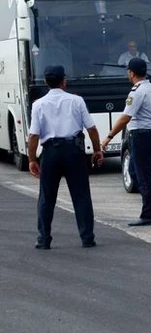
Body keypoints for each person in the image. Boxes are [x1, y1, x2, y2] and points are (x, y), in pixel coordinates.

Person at [27, 65, 104, 249]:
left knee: (46, 197)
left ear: (46, 82)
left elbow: (33, 136)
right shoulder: (76, 101)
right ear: (64, 81)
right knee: (81, 195)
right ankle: (87, 238)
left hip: (50, 152)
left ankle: (44, 240)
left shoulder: (38, 104)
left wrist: (31, 159)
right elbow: (91, 128)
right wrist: (97, 150)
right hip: (74, 151)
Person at [101, 58, 151, 226]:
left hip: (140, 136)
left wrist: (109, 136)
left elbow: (125, 118)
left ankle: (149, 213)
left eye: (128, 71)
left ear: (132, 72)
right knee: (136, 171)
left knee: (142, 174)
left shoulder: (136, 92)